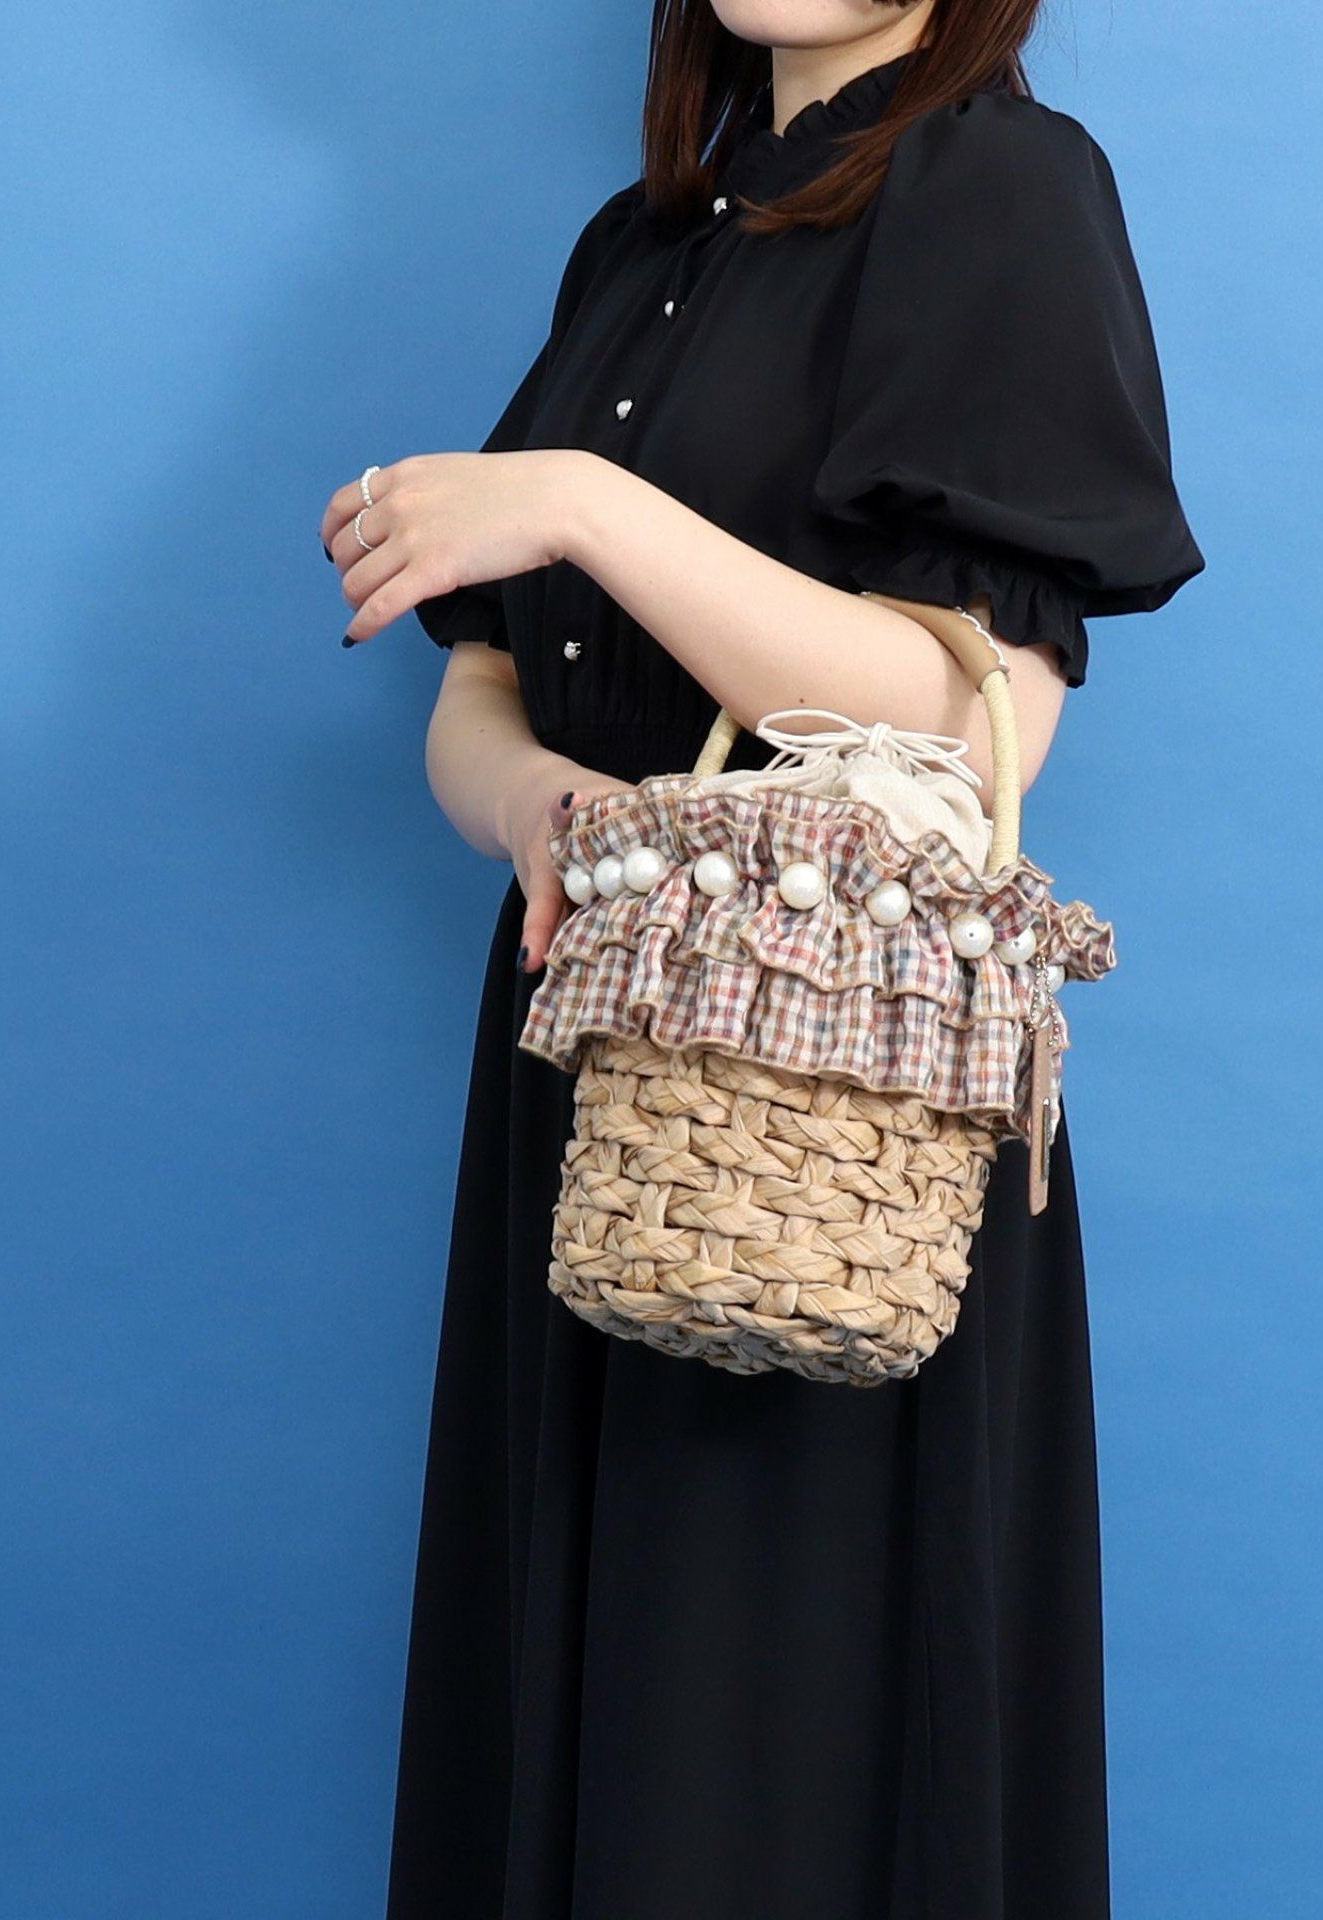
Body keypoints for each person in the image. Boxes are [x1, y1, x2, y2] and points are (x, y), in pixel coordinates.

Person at [321, 6, 1204, 1916]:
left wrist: (579, 501)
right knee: (568, 1716)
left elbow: (973, 720)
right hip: (590, 1050)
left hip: (822, 1095)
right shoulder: (645, 239)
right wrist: (539, 809)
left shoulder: (1005, 186)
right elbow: (481, 686)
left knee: (770, 1757)